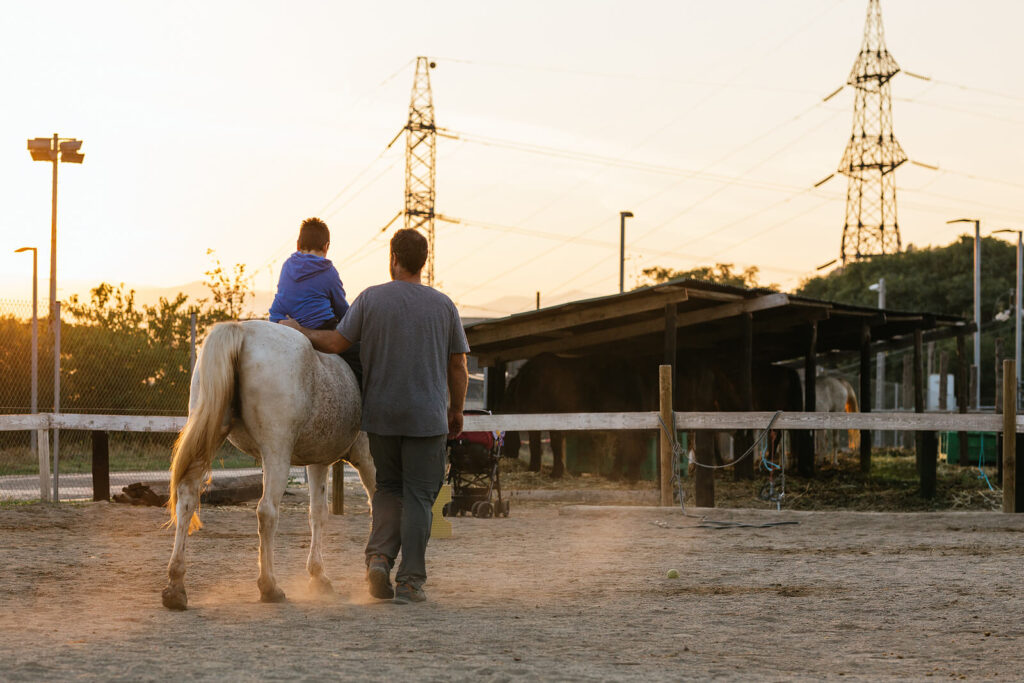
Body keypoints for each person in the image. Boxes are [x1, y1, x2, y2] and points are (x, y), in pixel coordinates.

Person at [280, 228, 469, 605]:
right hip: (426, 420)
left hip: (381, 418)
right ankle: (410, 582)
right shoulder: (444, 305)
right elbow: (459, 365)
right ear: (423, 262)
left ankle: (379, 558)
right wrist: (457, 408)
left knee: (388, 490)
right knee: (418, 496)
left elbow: (335, 343)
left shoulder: (370, 299)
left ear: (393, 259)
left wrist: (301, 331)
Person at [268, 217, 349, 331]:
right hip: (322, 328)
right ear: (326, 246)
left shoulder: (287, 265)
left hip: (285, 322)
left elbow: (284, 296)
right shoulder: (328, 270)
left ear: (298, 245)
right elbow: (341, 308)